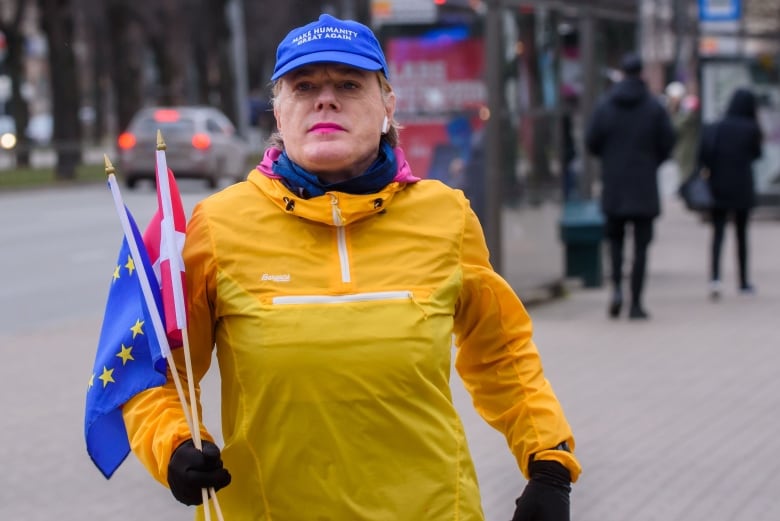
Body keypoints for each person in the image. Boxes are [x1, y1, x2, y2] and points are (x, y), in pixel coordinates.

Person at [122, 13, 581, 521]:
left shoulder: (445, 215)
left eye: (348, 83)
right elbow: (159, 368)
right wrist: (175, 445)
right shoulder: (219, 224)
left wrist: (548, 464)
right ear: (279, 112)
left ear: (387, 105)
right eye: (304, 86)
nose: (326, 99)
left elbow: (501, 353)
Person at [585, 52, 676, 320]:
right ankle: (636, 302)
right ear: (642, 74)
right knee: (641, 247)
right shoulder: (654, 107)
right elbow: (668, 142)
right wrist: (651, 162)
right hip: (644, 187)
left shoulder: (605, 105)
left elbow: (592, 141)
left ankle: (616, 292)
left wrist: (611, 159)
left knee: (614, 242)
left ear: (622, 73)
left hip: (614, 185)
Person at [698, 87, 763, 300]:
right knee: (741, 234)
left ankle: (715, 278)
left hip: (718, 186)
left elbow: (704, 155)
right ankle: (743, 281)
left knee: (717, 234)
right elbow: (756, 154)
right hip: (742, 186)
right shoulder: (751, 128)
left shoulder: (717, 126)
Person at [665, 81, 701, 183]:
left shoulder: (686, 111)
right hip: (680, 153)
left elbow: (675, 127)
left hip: (687, 152)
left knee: (685, 179)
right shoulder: (681, 111)